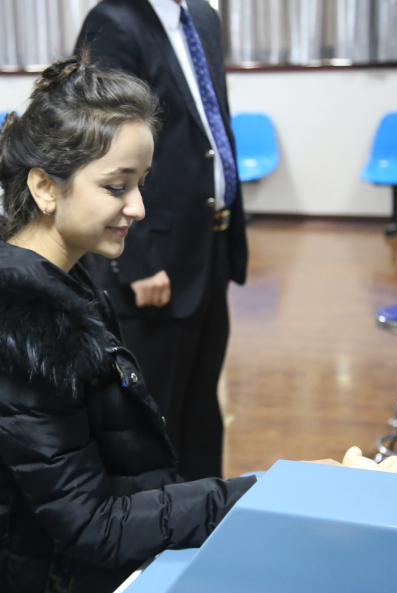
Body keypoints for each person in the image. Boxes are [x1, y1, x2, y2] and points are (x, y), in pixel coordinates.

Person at [0, 56, 256, 593]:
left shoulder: (57, 280)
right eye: (117, 187)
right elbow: (92, 524)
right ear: (45, 187)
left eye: (141, 183)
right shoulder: (20, 331)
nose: (139, 207)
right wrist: (254, 496)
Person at [76, 0, 246, 481]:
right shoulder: (113, 21)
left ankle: (206, 512)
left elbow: (212, 125)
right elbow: (100, 149)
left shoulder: (203, 17)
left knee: (202, 406)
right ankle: (157, 524)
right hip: (153, 258)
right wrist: (138, 259)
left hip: (209, 243)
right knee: (153, 417)